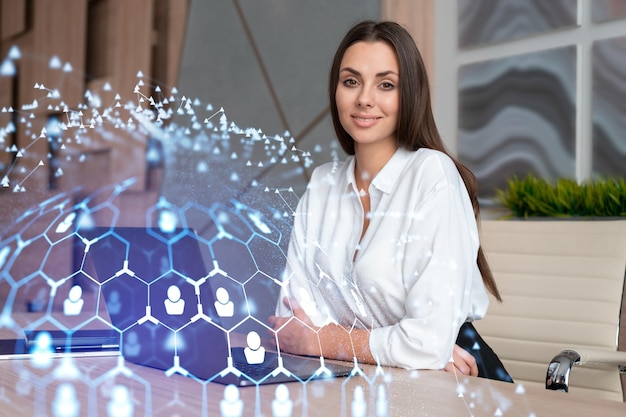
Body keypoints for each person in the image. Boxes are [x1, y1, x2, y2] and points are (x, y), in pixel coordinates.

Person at [268, 20, 511, 381]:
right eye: (351, 81)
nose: (365, 98)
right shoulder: (323, 184)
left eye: (386, 84)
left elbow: (427, 344)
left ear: (409, 94)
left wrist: (321, 341)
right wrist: (401, 351)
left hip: (456, 379)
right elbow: (291, 322)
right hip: (363, 377)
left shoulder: (433, 175)